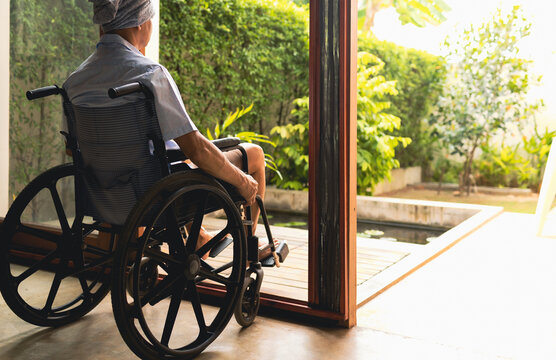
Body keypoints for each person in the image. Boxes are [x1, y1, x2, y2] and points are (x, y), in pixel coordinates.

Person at [64, 0, 267, 256]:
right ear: (140, 23)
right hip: (154, 197)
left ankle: (199, 239)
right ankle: (248, 253)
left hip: (103, 194)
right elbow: (195, 148)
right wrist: (243, 181)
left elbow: (73, 150)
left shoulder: (75, 81)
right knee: (255, 155)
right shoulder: (149, 73)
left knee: (168, 162)